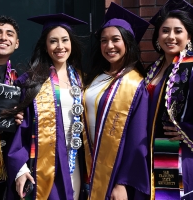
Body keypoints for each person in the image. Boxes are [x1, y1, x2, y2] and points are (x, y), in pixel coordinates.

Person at [5, 13, 87, 200]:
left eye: (65, 40)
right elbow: (19, 129)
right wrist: (20, 168)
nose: (60, 47)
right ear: (45, 46)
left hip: (75, 163)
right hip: (44, 164)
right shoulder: (31, 81)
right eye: (53, 41)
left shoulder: (82, 79)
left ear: (71, 43)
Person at [82, 2, 150, 200]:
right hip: (88, 166)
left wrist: (122, 183)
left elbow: (137, 141)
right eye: (104, 40)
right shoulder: (95, 77)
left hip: (115, 173)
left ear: (127, 43)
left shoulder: (135, 85)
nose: (109, 46)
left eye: (115, 39)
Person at [146, 0, 193, 199]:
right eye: (165, 30)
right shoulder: (153, 69)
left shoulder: (191, 68)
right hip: (149, 152)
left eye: (178, 31)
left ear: (189, 36)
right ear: (157, 36)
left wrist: (187, 130)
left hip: (177, 155)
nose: (171, 37)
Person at [0, 15, 19, 200]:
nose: (3, 37)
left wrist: (23, 117)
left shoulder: (21, 79)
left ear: (16, 43)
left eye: (9, 34)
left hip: (5, 156)